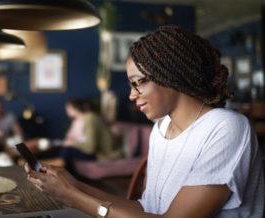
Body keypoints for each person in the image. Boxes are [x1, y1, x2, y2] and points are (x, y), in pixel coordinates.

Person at [26, 25, 264, 217]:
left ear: (170, 76)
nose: (131, 94)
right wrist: (73, 184)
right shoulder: (161, 129)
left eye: (139, 82)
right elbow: (145, 209)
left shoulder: (226, 128)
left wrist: (72, 197)